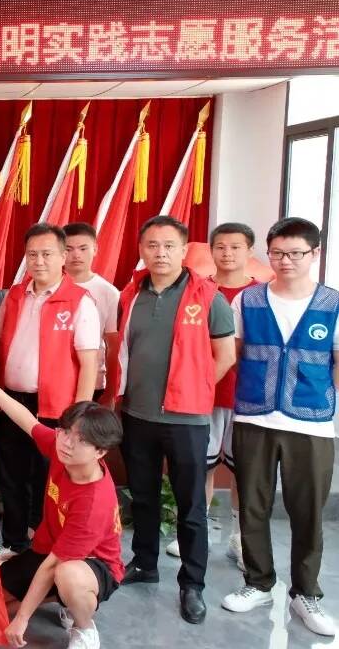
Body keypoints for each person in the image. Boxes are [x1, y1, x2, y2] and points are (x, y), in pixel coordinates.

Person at [115, 215, 236, 625]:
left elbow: (225, 356)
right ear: (142, 250)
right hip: (137, 413)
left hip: (188, 420)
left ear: (184, 250)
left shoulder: (209, 297)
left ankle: (192, 584)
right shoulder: (131, 294)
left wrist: (194, 391)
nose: (160, 253)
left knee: (190, 504)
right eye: (152, 245)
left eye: (169, 245)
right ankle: (144, 562)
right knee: (143, 495)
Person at [0, 341, 123, 649]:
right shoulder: (62, 450)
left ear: (100, 452)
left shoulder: (93, 502)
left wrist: (22, 619)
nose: (67, 442)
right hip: (48, 551)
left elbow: (53, 564)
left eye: (81, 440)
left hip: (92, 564)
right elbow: (28, 421)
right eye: (66, 432)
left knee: (67, 576)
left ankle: (83, 624)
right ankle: (56, 596)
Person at [221, 218, 337, 636]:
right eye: (277, 253)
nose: (286, 261)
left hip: (312, 421)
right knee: (253, 504)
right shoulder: (248, 300)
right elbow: (233, 354)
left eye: (295, 253)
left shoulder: (333, 303)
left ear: (314, 254)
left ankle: (306, 593)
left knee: (307, 511)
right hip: (254, 415)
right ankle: (258, 582)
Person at [0, 224, 101, 564]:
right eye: (32, 254)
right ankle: (14, 543)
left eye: (47, 254)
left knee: (46, 480)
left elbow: (89, 363)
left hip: (56, 408)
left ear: (63, 256)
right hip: (12, 401)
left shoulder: (80, 301)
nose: (38, 261)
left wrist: (79, 417)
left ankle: (43, 546)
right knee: (11, 475)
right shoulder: (14, 296)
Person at [165, 222, 257, 565]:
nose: (227, 253)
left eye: (235, 247)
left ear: (249, 251)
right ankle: (194, 534)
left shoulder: (259, 295)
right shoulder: (195, 290)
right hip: (201, 399)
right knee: (198, 468)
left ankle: (240, 538)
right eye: (220, 246)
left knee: (244, 472)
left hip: (248, 399)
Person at [62, 223, 120, 403]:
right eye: (69, 249)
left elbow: (113, 346)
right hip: (53, 381)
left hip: (93, 383)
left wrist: (110, 392)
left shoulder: (109, 292)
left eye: (83, 248)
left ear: (95, 249)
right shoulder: (48, 286)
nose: (76, 255)